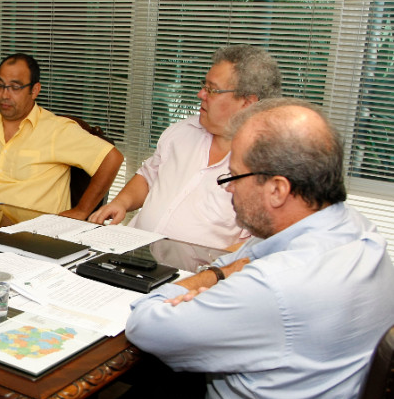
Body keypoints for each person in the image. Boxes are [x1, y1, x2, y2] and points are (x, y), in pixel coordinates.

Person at [61, 98, 394, 399]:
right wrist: (216, 275)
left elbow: (147, 325)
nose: (229, 187)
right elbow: (241, 257)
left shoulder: (279, 284)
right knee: (149, 385)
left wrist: (184, 286)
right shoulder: (354, 230)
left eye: (234, 176)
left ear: (277, 189)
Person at [89, 44, 282, 248]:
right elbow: (147, 177)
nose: (201, 94)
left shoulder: (267, 166)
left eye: (212, 89)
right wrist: (121, 203)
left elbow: (251, 248)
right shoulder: (181, 131)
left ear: (247, 103)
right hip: (132, 250)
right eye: (203, 85)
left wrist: (207, 273)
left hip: (193, 273)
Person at [0, 53, 123, 219]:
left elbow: (111, 158)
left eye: (15, 87)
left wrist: (82, 211)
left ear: (35, 90)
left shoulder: (56, 130)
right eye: (0, 85)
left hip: (36, 236)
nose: (4, 95)